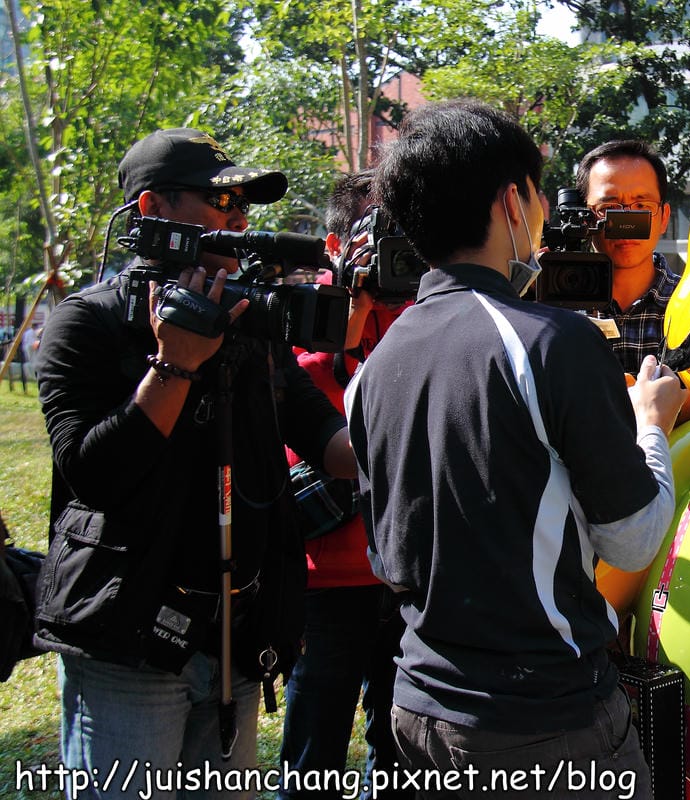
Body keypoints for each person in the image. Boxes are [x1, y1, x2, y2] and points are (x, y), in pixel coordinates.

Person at [347, 100, 687, 800]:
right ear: (511, 202)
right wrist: (650, 424)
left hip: (417, 703)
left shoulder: (377, 364)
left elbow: (388, 549)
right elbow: (632, 539)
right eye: (537, 195)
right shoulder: (553, 343)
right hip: (545, 721)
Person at [34, 127, 357, 799]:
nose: (239, 218)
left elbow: (332, 441)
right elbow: (93, 476)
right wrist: (174, 363)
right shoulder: (84, 323)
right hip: (128, 643)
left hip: (233, 640)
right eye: (220, 201)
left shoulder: (248, 324)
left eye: (244, 203)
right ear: (153, 210)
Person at [278, 171, 410, 800]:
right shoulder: (304, 313)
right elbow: (301, 398)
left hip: (410, 576)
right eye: (376, 233)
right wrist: (350, 314)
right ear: (335, 243)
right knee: (314, 752)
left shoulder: (422, 310)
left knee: (401, 748)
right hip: (327, 578)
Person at [577, 139, 690, 421]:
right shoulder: (555, 308)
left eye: (641, 206)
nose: (626, 222)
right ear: (584, 217)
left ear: (663, 218)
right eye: (609, 207)